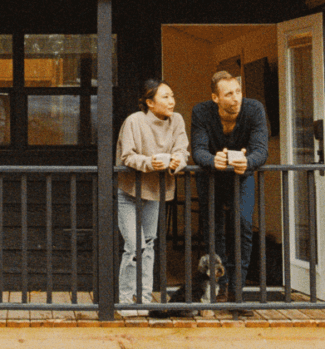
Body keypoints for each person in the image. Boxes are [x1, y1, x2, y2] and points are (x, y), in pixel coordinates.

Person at [191, 70, 268, 303]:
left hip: (241, 176)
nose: (236, 98)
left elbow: (261, 150)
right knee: (213, 230)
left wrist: (248, 162)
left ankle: (237, 291)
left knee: (243, 226)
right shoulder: (201, 111)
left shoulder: (254, 109)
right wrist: (211, 160)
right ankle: (221, 287)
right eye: (229, 94)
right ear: (216, 98)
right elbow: (198, 150)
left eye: (238, 92)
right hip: (211, 177)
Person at [115, 79, 189, 315]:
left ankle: (144, 298)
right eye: (165, 97)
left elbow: (182, 150)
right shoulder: (134, 121)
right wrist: (149, 163)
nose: (172, 101)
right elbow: (127, 156)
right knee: (134, 247)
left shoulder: (176, 120)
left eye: (172, 96)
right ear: (149, 102)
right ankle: (126, 300)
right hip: (130, 192)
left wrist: (177, 162)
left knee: (148, 244)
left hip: (155, 191)